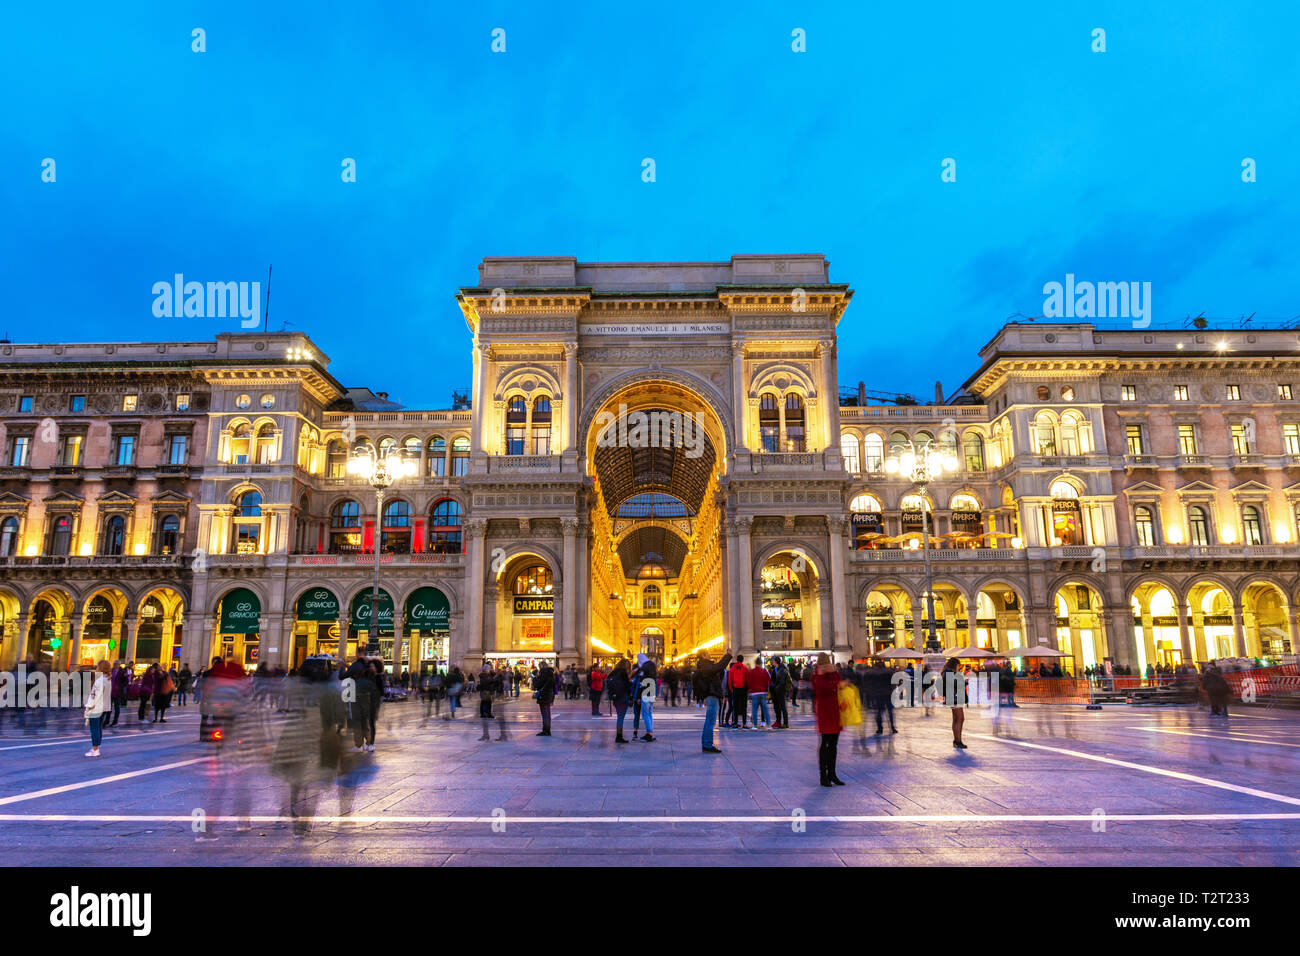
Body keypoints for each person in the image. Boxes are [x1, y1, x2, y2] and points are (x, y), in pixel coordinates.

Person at [811, 653, 845, 786]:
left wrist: (840, 682)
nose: (826, 664)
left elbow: (840, 685)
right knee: (826, 743)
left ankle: (832, 774)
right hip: (825, 711)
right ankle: (823, 776)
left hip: (835, 710)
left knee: (833, 744)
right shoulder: (816, 675)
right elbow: (820, 689)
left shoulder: (834, 673)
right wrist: (823, 674)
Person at [694, 651, 733, 752]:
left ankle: (706, 743)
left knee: (709, 721)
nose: (709, 654)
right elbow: (719, 667)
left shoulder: (704, 665)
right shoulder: (705, 666)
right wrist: (727, 656)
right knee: (710, 721)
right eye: (707, 653)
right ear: (703, 655)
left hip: (712, 695)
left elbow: (717, 668)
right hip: (712, 695)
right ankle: (707, 745)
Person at [83, 660, 112, 757]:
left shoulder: (99, 681)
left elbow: (94, 696)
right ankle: (96, 747)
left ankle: (95, 749)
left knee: (94, 729)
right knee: (98, 728)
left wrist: (88, 706)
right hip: (104, 708)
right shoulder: (108, 680)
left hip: (96, 708)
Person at [943, 657, 968, 749]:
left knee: (956, 719)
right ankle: (958, 741)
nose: (959, 667)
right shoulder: (949, 673)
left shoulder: (947, 672)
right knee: (960, 719)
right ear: (954, 665)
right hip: (955, 698)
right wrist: (963, 681)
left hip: (953, 697)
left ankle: (956, 740)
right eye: (958, 665)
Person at [606, 659, 633, 743]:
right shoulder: (623, 673)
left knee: (619, 716)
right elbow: (627, 686)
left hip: (615, 698)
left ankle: (619, 736)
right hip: (623, 698)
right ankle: (619, 736)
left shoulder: (613, 673)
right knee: (621, 717)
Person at [636, 653, 658, 742]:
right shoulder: (652, 665)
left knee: (645, 713)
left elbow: (641, 683)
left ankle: (649, 733)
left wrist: (638, 696)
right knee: (649, 713)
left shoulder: (644, 667)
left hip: (645, 692)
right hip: (652, 690)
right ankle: (650, 732)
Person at [746, 658, 772, 729]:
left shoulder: (751, 672)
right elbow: (769, 681)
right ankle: (769, 725)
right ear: (761, 664)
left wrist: (749, 691)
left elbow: (748, 682)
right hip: (763, 692)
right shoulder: (764, 671)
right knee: (765, 709)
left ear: (755, 663)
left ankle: (754, 725)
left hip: (754, 693)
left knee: (754, 710)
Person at [534, 660, 556, 736]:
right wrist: (552, 698)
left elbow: (537, 685)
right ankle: (547, 730)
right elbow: (554, 687)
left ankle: (545, 731)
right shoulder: (551, 674)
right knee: (547, 714)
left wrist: (536, 677)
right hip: (549, 695)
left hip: (543, 695)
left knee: (544, 714)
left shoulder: (543, 673)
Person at [727, 655, 750, 728]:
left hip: (735, 689)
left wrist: (731, 688)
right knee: (744, 706)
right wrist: (748, 689)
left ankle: (735, 722)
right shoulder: (745, 668)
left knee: (735, 706)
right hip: (743, 689)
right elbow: (747, 679)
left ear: (737, 660)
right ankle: (744, 723)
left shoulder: (733, 668)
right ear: (742, 660)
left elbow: (730, 679)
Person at [769, 660, 790, 729]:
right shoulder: (778, 669)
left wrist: (775, 687)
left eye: (773, 661)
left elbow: (781, 682)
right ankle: (778, 722)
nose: (772, 663)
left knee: (782, 707)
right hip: (777, 691)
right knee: (777, 707)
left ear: (776, 662)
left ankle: (785, 723)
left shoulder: (781, 670)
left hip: (780, 691)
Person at [108, 660, 128, 727]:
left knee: (117, 707)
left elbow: (125, 682)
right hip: (110, 691)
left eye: (116, 664)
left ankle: (115, 721)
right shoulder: (111, 671)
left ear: (119, 665)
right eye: (114, 664)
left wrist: (120, 687)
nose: (115, 665)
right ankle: (107, 720)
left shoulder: (122, 672)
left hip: (117, 692)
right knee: (108, 707)